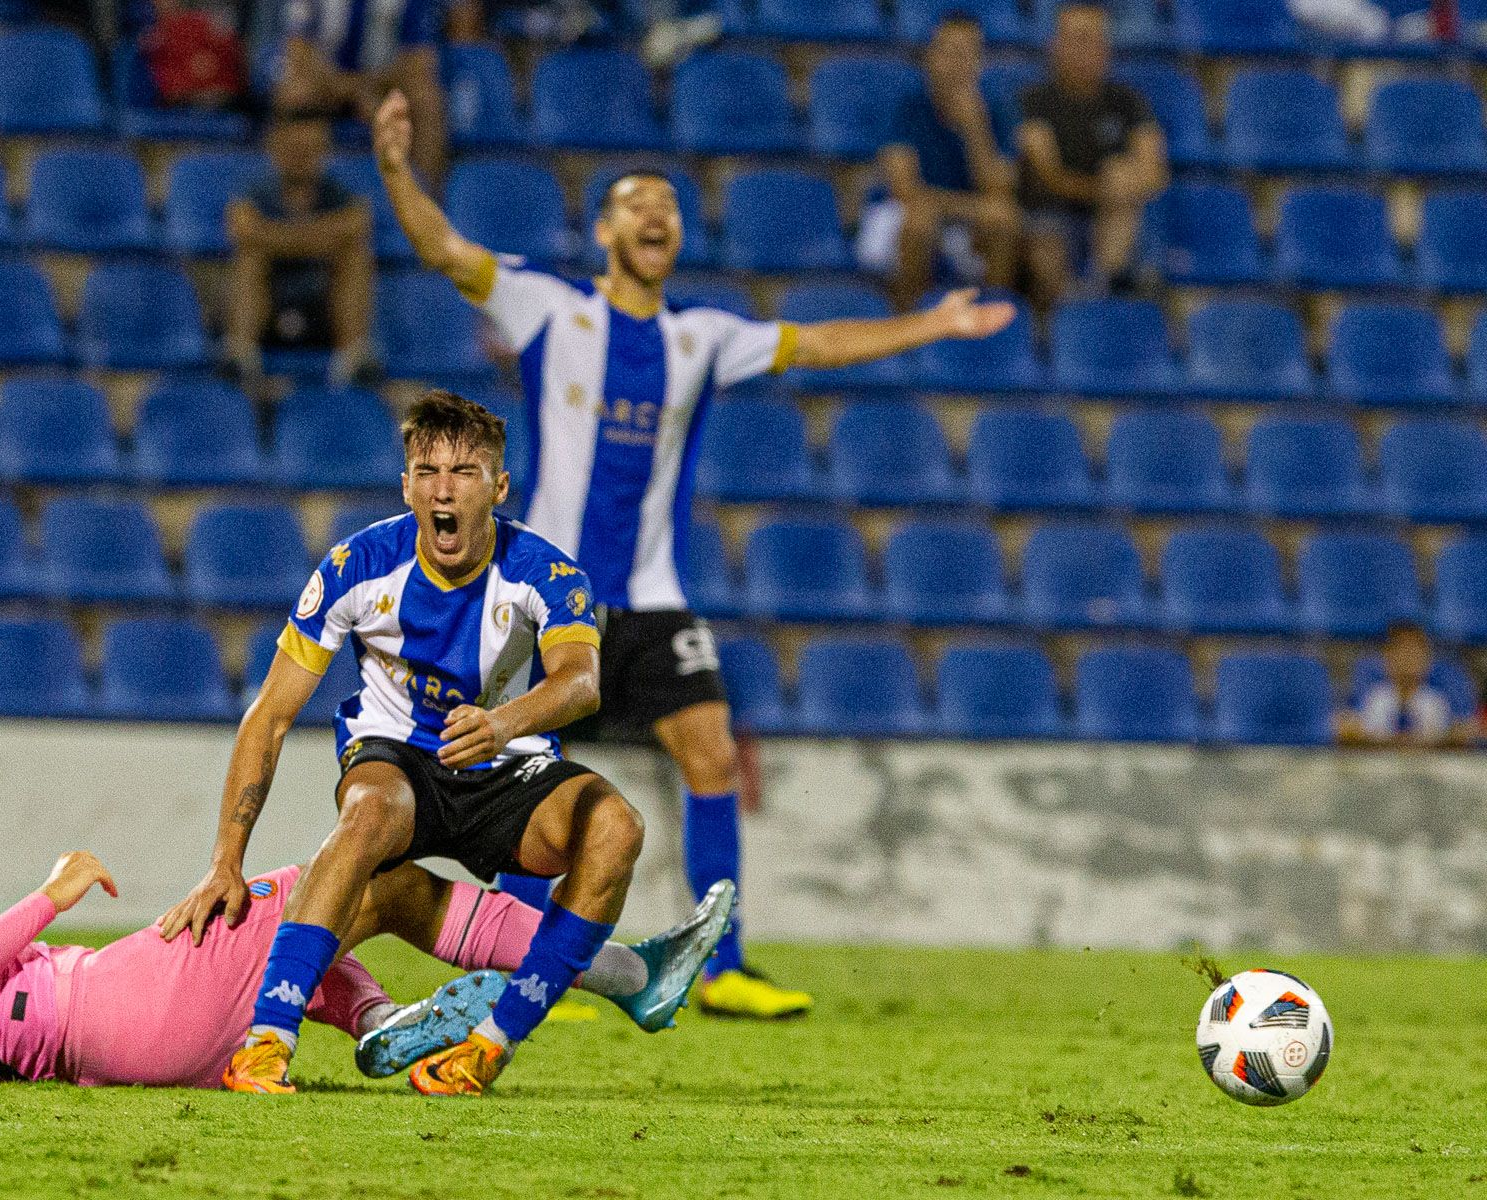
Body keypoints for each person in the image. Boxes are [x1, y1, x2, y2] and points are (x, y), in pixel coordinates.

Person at [371, 87, 1015, 1020]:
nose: (654, 216)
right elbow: (442, 248)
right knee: (519, 780)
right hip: (551, 601)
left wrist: (933, 324)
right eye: (634, 204)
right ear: (603, 232)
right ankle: (526, 966)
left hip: (654, 597)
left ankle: (722, 968)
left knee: (710, 754)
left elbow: (821, 342)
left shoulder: (700, 338)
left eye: (666, 208)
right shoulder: (550, 308)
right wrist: (396, 167)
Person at [159, 390, 735, 1096]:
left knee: (617, 828)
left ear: (497, 487)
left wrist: (501, 724)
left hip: (505, 762)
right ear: (406, 485)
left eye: (464, 471)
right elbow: (270, 715)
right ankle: (266, 1043)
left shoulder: (546, 573)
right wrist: (225, 862)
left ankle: (483, 1051)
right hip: (398, 760)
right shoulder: (357, 565)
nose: (443, 488)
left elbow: (581, 683)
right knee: (366, 815)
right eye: (427, 470)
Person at [0, 797, 729, 1087]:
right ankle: (630, 974)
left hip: (98, 1036)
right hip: (106, 1004)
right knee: (356, 881)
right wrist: (46, 897)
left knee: (298, 936)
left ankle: (383, 1018)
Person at [1015, 1, 1167, 308]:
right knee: (1047, 244)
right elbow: (1050, 176)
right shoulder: (1032, 101)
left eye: (1093, 39)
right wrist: (1107, 191)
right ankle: (1062, 321)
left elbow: (1155, 173)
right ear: (1054, 45)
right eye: (1076, 38)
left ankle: (1100, 286)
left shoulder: (1128, 100)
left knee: (1122, 174)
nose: (1085, 48)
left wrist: (1119, 185)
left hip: (1111, 217)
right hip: (1048, 214)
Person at [868, 12, 1019, 309]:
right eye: (949, 52)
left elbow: (1000, 191)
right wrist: (971, 208)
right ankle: (906, 320)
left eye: (967, 54)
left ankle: (990, 321)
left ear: (980, 62)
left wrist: (976, 131)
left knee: (1004, 219)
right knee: (919, 220)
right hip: (899, 215)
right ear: (931, 57)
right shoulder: (907, 107)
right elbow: (904, 190)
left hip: (961, 220)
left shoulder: (995, 111)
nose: (958, 64)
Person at [224, 109, 377, 392]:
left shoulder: (341, 194)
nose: (300, 157)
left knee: (355, 257)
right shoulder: (255, 192)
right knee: (250, 257)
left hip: (323, 304)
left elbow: (358, 224)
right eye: (293, 149)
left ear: (323, 151)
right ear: (275, 148)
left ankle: (351, 359)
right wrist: (321, 240)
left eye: (308, 150)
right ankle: (242, 359)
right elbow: (242, 227)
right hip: (271, 301)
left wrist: (274, 238)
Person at [276, 0, 446, 183]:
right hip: (327, 85)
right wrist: (350, 89)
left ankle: (424, 195)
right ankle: (291, 197)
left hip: (383, 86)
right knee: (293, 93)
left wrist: (369, 87)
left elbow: (417, 60)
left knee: (426, 100)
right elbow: (298, 49)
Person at [1335, 622, 1479, 749]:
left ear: (1427, 659)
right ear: (1387, 657)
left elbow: (1462, 734)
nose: (1408, 658)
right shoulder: (1374, 699)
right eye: (1401, 651)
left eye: (1415, 652)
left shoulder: (1435, 702)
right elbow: (1346, 731)